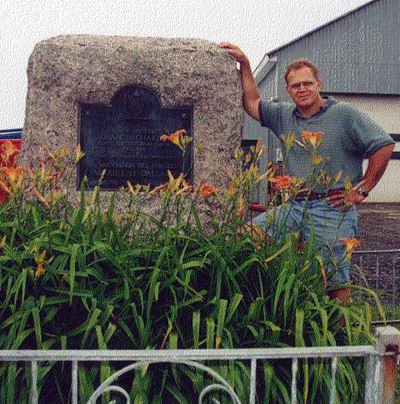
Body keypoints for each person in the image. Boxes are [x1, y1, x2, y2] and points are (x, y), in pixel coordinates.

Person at [218, 42, 395, 303]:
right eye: (296, 85)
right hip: (294, 207)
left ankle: (340, 338)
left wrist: (364, 189)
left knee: (333, 280)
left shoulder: (344, 113)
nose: (302, 89)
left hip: (332, 208)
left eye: (307, 83)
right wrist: (244, 64)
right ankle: (282, 304)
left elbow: (384, 144)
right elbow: (252, 102)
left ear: (318, 84)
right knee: (245, 239)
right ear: (288, 90)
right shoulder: (284, 116)